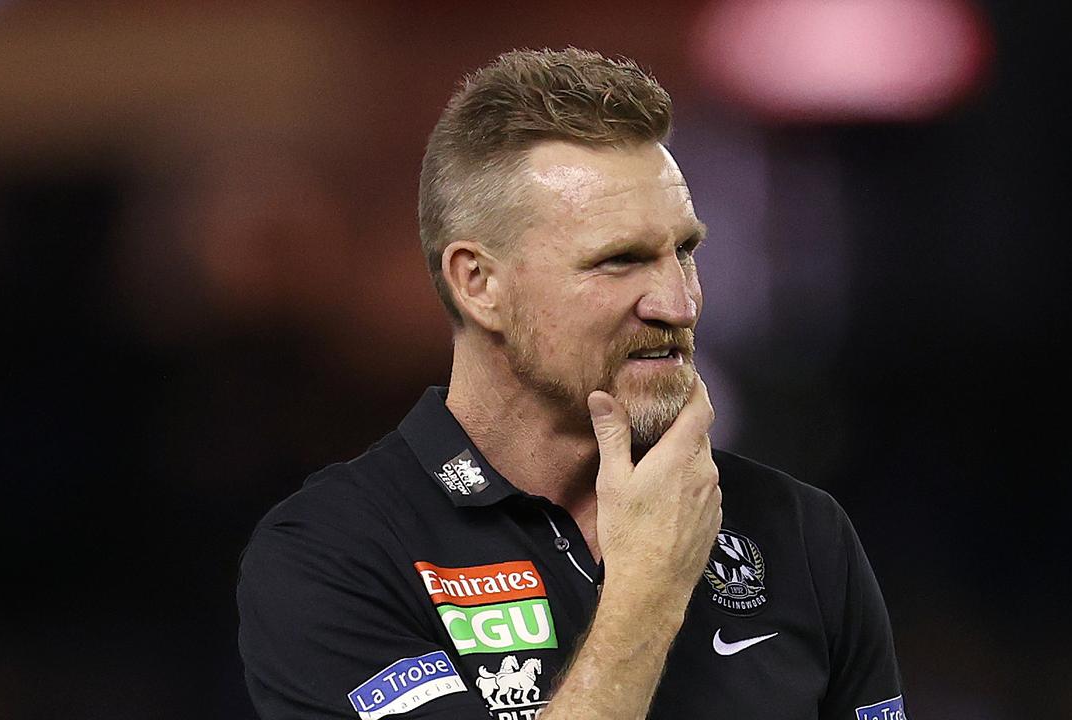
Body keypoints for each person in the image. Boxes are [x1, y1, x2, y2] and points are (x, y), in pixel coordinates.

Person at [238, 48, 906, 720]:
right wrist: (645, 594)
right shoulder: (335, 553)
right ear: (479, 284)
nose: (679, 304)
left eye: (684, 252)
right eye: (620, 261)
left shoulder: (801, 533)